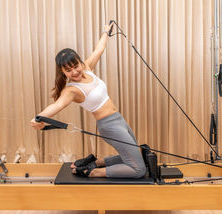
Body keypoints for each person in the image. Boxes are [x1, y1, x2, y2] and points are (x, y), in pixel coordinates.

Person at [30, 23, 146, 178]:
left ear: (79, 61)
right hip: (109, 126)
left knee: (136, 155)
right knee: (139, 170)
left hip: (119, 120)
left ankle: (97, 162)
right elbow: (57, 105)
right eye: (68, 70)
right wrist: (38, 118)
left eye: (76, 66)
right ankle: (93, 172)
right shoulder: (71, 90)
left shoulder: (86, 68)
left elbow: (99, 49)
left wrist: (106, 31)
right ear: (63, 72)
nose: (75, 72)